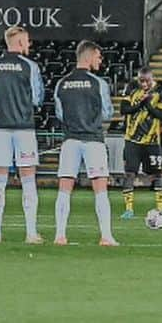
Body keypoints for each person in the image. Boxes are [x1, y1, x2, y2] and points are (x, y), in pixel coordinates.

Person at [52, 40, 117, 246]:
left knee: (65, 187)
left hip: (70, 140)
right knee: (100, 188)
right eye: (98, 56)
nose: (101, 60)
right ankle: (106, 236)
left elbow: (60, 114)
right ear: (88, 57)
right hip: (93, 140)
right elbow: (107, 112)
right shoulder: (98, 83)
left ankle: (60, 235)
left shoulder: (62, 83)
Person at [0, 24, 44, 244]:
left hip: (0, 128)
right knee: (28, 180)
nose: (29, 44)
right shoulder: (30, 66)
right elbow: (37, 98)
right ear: (20, 42)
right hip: (24, 128)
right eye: (27, 40)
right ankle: (30, 232)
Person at [117, 66, 162, 223]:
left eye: (146, 81)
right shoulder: (131, 88)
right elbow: (124, 109)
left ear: (152, 79)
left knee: (157, 174)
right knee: (129, 173)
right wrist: (141, 103)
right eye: (141, 80)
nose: (144, 84)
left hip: (152, 141)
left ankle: (160, 208)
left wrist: (147, 104)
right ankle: (128, 209)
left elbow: (161, 115)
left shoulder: (161, 91)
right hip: (132, 140)